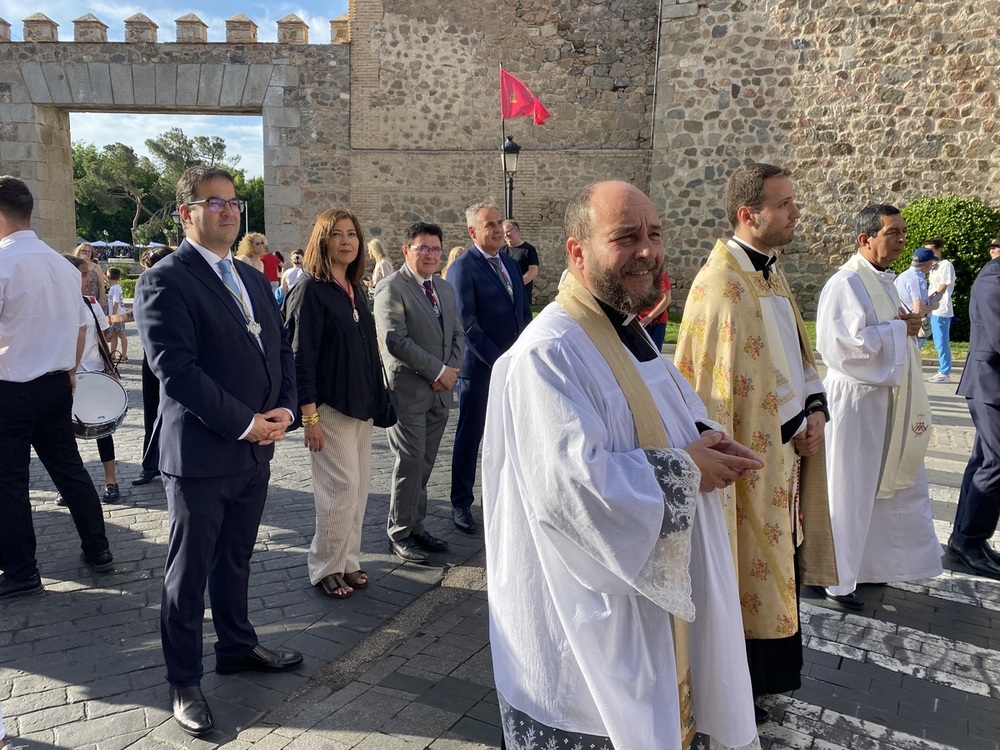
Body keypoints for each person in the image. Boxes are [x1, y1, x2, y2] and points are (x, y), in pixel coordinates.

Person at [484, 180, 762, 749]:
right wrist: (687, 471)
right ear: (577, 251)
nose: (647, 251)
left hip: (652, 611)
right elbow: (575, 492)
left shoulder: (628, 330)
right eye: (626, 237)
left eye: (654, 235)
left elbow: (667, 414)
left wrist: (708, 440)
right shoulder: (549, 352)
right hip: (594, 624)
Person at [134, 167, 301, 738]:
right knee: (190, 570)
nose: (229, 211)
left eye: (234, 203)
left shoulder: (252, 278)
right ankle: (183, 679)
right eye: (215, 203)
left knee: (237, 558)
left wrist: (285, 409)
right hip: (203, 455)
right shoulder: (165, 280)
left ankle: (236, 645)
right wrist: (243, 423)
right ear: (187, 213)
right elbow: (176, 372)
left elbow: (281, 349)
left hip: (257, 450)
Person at [674, 163, 836, 723]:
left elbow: (796, 349)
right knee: (742, 566)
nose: (796, 212)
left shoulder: (771, 273)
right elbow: (714, 386)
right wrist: (792, 427)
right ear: (750, 214)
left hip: (787, 454)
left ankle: (760, 683)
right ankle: (732, 688)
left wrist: (814, 409)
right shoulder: (720, 285)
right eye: (785, 203)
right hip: (749, 458)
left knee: (775, 563)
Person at [816, 204, 943, 607]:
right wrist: (896, 330)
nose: (902, 240)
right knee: (849, 489)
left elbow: (889, 332)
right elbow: (840, 346)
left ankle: (865, 567)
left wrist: (902, 328)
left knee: (876, 490)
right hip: (854, 402)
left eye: (903, 232)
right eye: (893, 232)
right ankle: (835, 578)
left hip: (881, 400)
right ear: (865, 238)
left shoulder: (882, 280)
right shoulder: (846, 282)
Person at [0, 175, 115, 601]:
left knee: (9, 483)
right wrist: (67, 368)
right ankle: (98, 548)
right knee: (69, 470)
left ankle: (21, 571)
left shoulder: (3, 262)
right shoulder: (62, 266)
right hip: (56, 383)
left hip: (10, 387)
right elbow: (75, 325)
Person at [282, 208, 384, 600]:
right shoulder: (310, 290)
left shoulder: (355, 287)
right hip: (329, 408)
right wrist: (309, 418)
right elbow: (299, 356)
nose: (346, 241)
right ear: (321, 241)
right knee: (338, 490)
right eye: (337, 234)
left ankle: (348, 559)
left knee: (357, 490)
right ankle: (325, 565)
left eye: (352, 234)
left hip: (361, 404)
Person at [374, 222, 464, 564]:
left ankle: (417, 525)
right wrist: (438, 371)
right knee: (409, 462)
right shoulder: (391, 288)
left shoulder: (444, 287)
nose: (430, 254)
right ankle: (399, 532)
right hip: (409, 392)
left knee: (425, 463)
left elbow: (458, 334)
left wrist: (451, 371)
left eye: (435, 249)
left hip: (440, 393)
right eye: (422, 248)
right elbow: (396, 340)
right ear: (406, 250)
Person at [446, 201, 532, 534]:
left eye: (499, 223)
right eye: (490, 225)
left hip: (514, 366)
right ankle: (460, 502)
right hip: (481, 369)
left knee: (512, 433)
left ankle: (508, 497)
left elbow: (522, 312)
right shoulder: (463, 268)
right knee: (471, 435)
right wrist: (500, 362)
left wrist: (522, 353)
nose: (498, 229)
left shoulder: (510, 265)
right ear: (472, 232)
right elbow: (467, 324)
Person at [948, 247, 1000, 578]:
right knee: (996, 462)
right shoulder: (994, 277)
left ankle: (967, 538)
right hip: (990, 382)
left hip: (992, 383)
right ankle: (968, 540)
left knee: (984, 460)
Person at [63, 254, 122, 504]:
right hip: (64, 376)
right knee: (65, 436)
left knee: (102, 428)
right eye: (85, 274)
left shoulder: (90, 303)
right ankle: (68, 486)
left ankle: (111, 481)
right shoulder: (54, 302)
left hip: (94, 371)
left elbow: (104, 335)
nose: (90, 278)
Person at [132, 246, 173, 486]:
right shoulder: (146, 283)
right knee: (152, 411)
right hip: (152, 357)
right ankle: (150, 464)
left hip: (173, 356)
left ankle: (162, 462)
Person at [925, 238, 956, 383]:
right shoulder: (933, 266)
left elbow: (943, 286)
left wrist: (932, 299)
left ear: (939, 249)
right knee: (920, 337)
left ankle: (944, 372)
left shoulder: (945, 265)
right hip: (931, 309)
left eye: (931, 250)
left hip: (941, 309)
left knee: (941, 342)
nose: (929, 253)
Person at [894, 247, 938, 349]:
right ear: (927, 264)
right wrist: (934, 306)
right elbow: (919, 309)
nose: (932, 265)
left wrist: (927, 299)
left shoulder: (902, 276)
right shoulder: (918, 280)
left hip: (899, 322)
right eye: (932, 262)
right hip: (912, 326)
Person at [502, 219, 540, 303]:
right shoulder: (501, 251)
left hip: (522, 297)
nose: (505, 235)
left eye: (507, 232)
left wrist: (516, 284)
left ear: (516, 230)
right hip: (505, 297)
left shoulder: (529, 249)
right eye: (503, 233)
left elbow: (533, 271)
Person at [638, 270, 671, 351]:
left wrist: (650, 317)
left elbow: (667, 299)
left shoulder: (660, 275)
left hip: (657, 322)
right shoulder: (634, 274)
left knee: (654, 354)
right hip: (637, 320)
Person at [75, 242, 107, 310]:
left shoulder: (96, 267)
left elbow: (101, 285)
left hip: (94, 298)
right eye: (84, 251)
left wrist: (102, 300)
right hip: (79, 298)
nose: (87, 253)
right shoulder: (75, 265)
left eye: (89, 251)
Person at [106, 266, 128, 363]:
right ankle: (113, 354)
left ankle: (124, 355)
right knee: (114, 334)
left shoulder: (114, 289)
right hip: (118, 314)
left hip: (117, 315)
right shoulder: (116, 287)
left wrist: (113, 315)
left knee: (121, 334)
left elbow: (115, 302)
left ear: (108, 277)